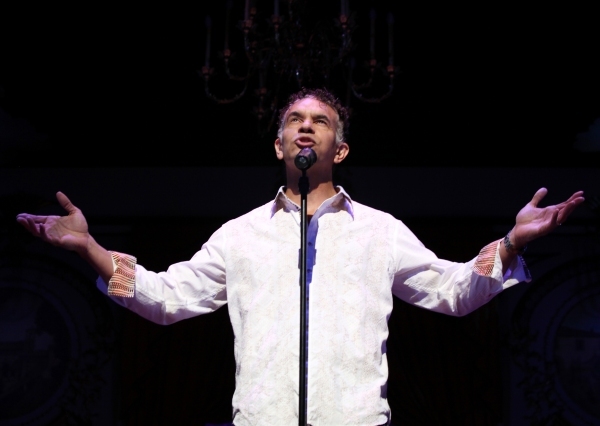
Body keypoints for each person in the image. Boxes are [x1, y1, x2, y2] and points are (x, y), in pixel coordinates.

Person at [17, 88, 584, 426]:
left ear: (338, 148)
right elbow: (167, 299)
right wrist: (90, 248)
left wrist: (513, 243)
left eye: (320, 121)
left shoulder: (379, 232)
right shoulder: (240, 235)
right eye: (294, 120)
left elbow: (455, 293)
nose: (305, 126)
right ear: (279, 145)